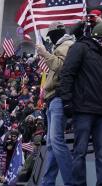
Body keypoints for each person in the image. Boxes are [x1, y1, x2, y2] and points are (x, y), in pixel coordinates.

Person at [60, 22, 102, 186]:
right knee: (80, 151)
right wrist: (67, 102)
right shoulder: (79, 48)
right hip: (84, 110)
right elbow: (67, 74)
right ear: (100, 39)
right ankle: (79, 183)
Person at [36, 21, 75, 186]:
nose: (49, 39)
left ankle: (71, 181)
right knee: (52, 144)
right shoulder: (61, 46)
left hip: (59, 97)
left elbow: (60, 66)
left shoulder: (66, 45)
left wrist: (44, 53)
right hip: (52, 98)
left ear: (55, 34)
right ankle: (48, 181)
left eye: (50, 36)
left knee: (57, 142)